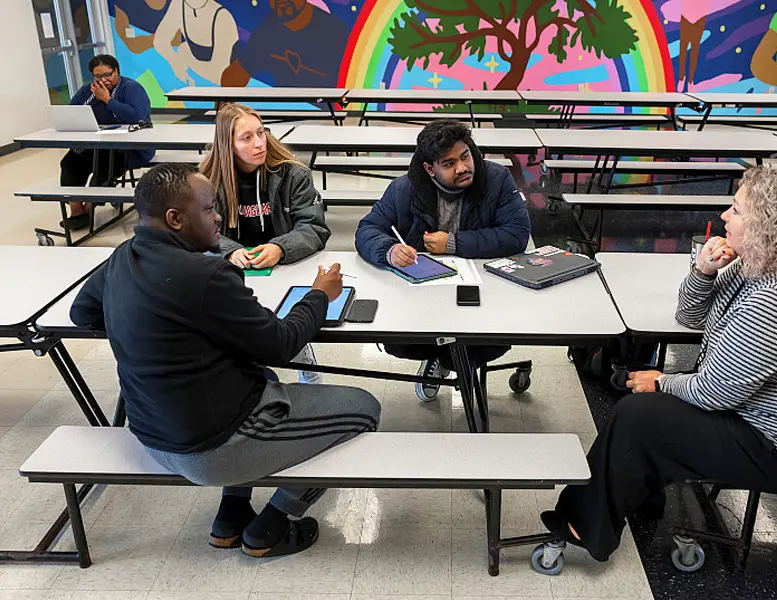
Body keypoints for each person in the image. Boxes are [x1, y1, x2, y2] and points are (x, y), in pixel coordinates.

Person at [540, 166, 777, 563]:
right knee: (649, 413)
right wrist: (704, 272)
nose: (725, 216)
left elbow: (715, 392)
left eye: (737, 210)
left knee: (638, 416)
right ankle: (634, 501)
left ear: (768, 226)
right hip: (769, 421)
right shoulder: (765, 263)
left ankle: (585, 524)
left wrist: (663, 381)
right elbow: (690, 315)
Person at [70, 163, 380, 557]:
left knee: (259, 374)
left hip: (150, 435)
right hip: (209, 450)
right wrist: (320, 294)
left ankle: (231, 514)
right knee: (366, 410)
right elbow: (281, 343)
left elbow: (83, 314)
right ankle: (274, 525)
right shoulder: (208, 274)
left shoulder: (122, 257)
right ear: (175, 218)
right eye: (208, 209)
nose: (218, 217)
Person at [355, 119, 531, 401]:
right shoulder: (404, 189)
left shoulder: (497, 180)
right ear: (429, 169)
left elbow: (517, 234)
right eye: (449, 164)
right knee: (405, 338)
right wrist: (389, 250)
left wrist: (452, 243)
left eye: (465, 156)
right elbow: (367, 230)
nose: (462, 167)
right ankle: (440, 358)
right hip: (423, 291)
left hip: (484, 287)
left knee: (486, 338)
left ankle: (452, 360)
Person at [199, 102, 330, 383]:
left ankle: (300, 346)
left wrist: (280, 248)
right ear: (227, 144)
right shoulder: (207, 181)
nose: (260, 143)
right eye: (247, 138)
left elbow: (314, 227)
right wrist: (230, 252)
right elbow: (197, 230)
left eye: (261, 133)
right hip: (236, 270)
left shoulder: (293, 174)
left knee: (288, 311)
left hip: (287, 264)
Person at [59, 54, 152, 230]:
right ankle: (77, 210)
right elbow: (71, 113)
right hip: (97, 145)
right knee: (70, 162)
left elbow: (138, 117)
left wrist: (107, 100)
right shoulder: (88, 91)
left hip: (128, 148)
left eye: (107, 75)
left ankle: (90, 207)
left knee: (104, 163)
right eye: (98, 76)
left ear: (116, 71)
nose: (103, 80)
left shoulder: (131, 88)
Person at [220, 0, 349, 88]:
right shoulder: (267, 31)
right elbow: (236, 76)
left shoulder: (336, 32)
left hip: (327, 117)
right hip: (286, 115)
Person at [153, 0, 238, 85]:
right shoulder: (178, 4)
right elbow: (160, 41)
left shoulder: (223, 17)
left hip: (228, 88)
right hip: (196, 80)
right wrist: (175, 61)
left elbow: (219, 75)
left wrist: (185, 57)